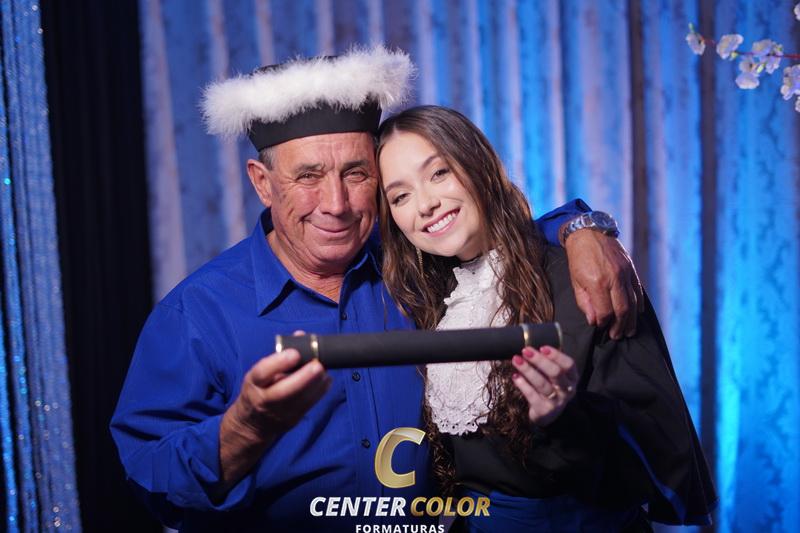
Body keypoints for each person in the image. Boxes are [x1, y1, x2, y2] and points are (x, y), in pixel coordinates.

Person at [111, 47, 644, 532]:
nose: (336, 204)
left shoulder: (419, 264)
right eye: (308, 176)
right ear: (262, 182)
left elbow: (490, 232)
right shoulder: (196, 313)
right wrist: (243, 429)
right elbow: (152, 481)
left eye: (356, 173)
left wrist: (581, 228)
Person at [376, 105, 717, 532]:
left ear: (477, 163)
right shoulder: (429, 300)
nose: (426, 204)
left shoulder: (580, 278)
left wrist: (564, 416)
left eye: (439, 173)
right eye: (400, 196)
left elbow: (647, 445)